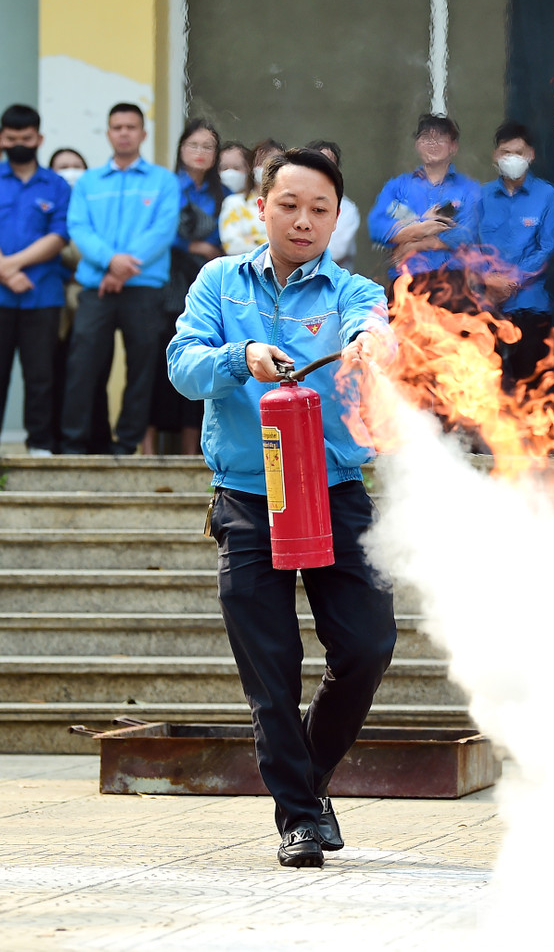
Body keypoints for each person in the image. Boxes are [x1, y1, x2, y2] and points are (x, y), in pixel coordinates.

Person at [167, 147, 397, 868]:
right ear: (261, 207)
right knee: (272, 669)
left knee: (367, 645)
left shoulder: (350, 291)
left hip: (334, 492)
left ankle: (310, 775)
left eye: (319, 208)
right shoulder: (218, 282)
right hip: (246, 498)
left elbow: (378, 330)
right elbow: (182, 363)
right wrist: (242, 357)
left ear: (337, 218)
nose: (303, 219)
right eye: (289, 204)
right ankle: (299, 817)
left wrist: (368, 345)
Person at [60, 102, 179, 455]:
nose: (124, 132)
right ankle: (74, 443)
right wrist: (112, 262)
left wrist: (122, 268)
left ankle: (126, 444)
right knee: (82, 365)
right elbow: (79, 227)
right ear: (108, 133)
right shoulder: (89, 182)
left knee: (141, 368)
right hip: (96, 286)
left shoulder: (163, 181)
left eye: (131, 126)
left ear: (142, 134)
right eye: (117, 127)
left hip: (143, 288)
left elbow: (162, 230)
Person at [0, 104, 70, 455]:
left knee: (40, 376)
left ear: (38, 138)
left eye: (26, 138)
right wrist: (4, 272)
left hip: (42, 295)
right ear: (1, 139)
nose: (19, 144)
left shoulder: (55, 184)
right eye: (11, 139)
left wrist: (10, 266)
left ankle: (39, 444)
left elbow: (59, 235)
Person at [146, 118, 225, 456]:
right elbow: (155, 228)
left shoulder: (226, 194)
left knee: (202, 357)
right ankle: (147, 445)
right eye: (193, 145)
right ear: (180, 149)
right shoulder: (167, 186)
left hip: (205, 281)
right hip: (166, 279)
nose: (200, 152)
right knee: (155, 363)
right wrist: (193, 246)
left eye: (208, 146)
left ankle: (193, 447)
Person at [478, 121, 554, 389]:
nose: (511, 158)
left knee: (531, 389)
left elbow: (546, 247)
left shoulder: (547, 195)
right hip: (486, 308)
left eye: (518, 152)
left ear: (531, 155)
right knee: (488, 390)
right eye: (505, 152)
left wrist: (511, 280)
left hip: (530, 306)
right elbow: (469, 246)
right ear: (495, 156)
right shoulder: (481, 196)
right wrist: (489, 279)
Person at [367, 114, 481, 311]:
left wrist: (411, 245)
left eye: (440, 138)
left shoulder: (469, 189)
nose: (432, 143)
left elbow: (465, 234)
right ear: (417, 144)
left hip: (452, 284)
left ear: (454, 146)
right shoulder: (397, 186)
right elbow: (376, 226)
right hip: (406, 283)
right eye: (426, 137)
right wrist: (421, 225)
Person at [48, 147, 107, 450]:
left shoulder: (97, 204)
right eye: (62, 166)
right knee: (54, 372)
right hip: (53, 303)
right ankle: (56, 438)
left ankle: (96, 439)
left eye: (76, 165)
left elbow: (103, 245)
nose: (70, 172)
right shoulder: (48, 204)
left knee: (94, 374)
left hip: (94, 297)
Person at [219, 139, 281, 257]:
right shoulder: (234, 203)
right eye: (261, 162)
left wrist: (252, 238)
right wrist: (272, 243)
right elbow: (231, 246)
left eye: (274, 162)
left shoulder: (291, 205)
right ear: (251, 167)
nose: (267, 167)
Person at [308, 140, 361, 272]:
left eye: (329, 165)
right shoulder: (291, 202)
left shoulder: (347, 209)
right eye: (316, 163)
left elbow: (336, 251)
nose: (322, 169)